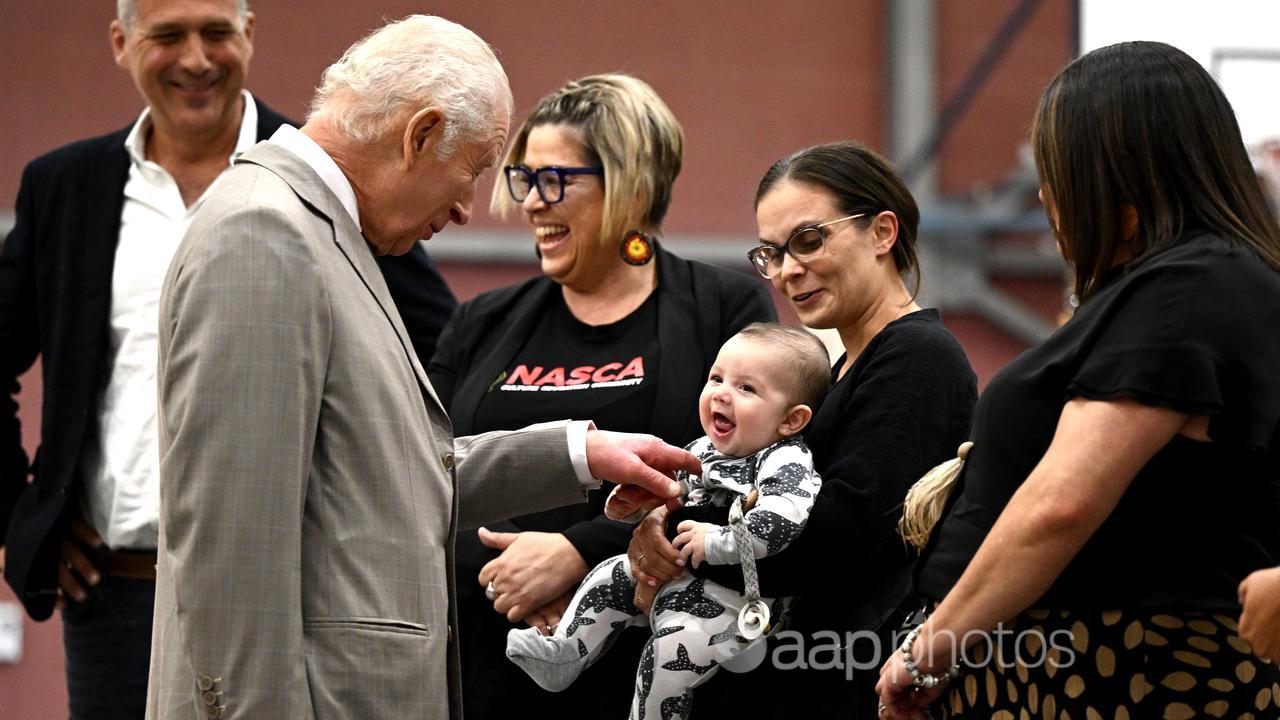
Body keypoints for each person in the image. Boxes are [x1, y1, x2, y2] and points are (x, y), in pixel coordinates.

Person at [144, 15, 699, 720]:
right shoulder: (267, 235)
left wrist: (579, 453)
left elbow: (384, 475)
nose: (468, 208)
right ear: (420, 134)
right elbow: (232, 551)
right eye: (471, 171)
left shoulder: (315, 233)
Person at [0, 1, 455, 718]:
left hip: (287, 597)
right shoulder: (65, 187)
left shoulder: (322, 170)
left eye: (215, 32)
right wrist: (20, 514)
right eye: (167, 36)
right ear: (121, 44)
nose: (195, 59)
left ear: (249, 34)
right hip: (114, 594)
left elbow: (438, 352)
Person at [877, 41, 1280, 720]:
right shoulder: (1186, 284)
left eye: (1058, 169)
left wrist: (930, 649)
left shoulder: (1186, 288)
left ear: (1117, 172)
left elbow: (1063, 502)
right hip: (1089, 662)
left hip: (1122, 670)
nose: (1044, 193)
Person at [427, 73, 775, 719]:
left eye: (554, 180)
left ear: (631, 183)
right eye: (523, 180)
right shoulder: (482, 323)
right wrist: (515, 579)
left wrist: (577, 555)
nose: (532, 202)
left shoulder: (721, 308)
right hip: (488, 664)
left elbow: (748, 475)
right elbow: (422, 474)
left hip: (652, 667)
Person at [615, 141, 978, 719]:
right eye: (772, 253)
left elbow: (839, 538)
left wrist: (684, 539)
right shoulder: (841, 373)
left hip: (851, 679)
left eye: (809, 240)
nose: (787, 271)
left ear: (883, 233)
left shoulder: (918, 359)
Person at [506, 322, 828, 718]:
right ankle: (565, 652)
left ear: (791, 420)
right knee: (610, 574)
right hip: (673, 578)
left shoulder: (785, 459)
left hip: (731, 608)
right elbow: (673, 496)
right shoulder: (701, 448)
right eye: (717, 378)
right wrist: (641, 504)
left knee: (669, 655)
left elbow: (780, 522)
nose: (722, 393)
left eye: (747, 388)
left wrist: (718, 540)